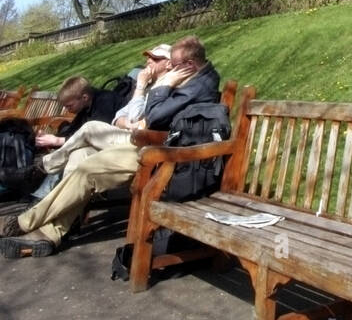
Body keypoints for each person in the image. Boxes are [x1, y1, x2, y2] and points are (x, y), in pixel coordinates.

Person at [0, 35, 220, 258]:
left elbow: (153, 117)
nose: (171, 67)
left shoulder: (197, 86)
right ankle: (52, 232)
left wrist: (161, 86)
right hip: (149, 143)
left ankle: (26, 221)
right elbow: (142, 116)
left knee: (88, 168)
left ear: (190, 65)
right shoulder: (191, 79)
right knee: (80, 155)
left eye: (174, 64)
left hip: (162, 154)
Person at [40, 45, 173, 178]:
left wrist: (140, 87)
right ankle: (48, 196)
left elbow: (133, 116)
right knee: (78, 155)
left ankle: (42, 166)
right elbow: (119, 116)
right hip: (128, 133)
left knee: (90, 128)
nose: (148, 60)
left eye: (156, 58)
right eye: (148, 57)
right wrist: (128, 124)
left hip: (142, 143)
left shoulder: (166, 87)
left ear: (169, 64)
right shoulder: (148, 86)